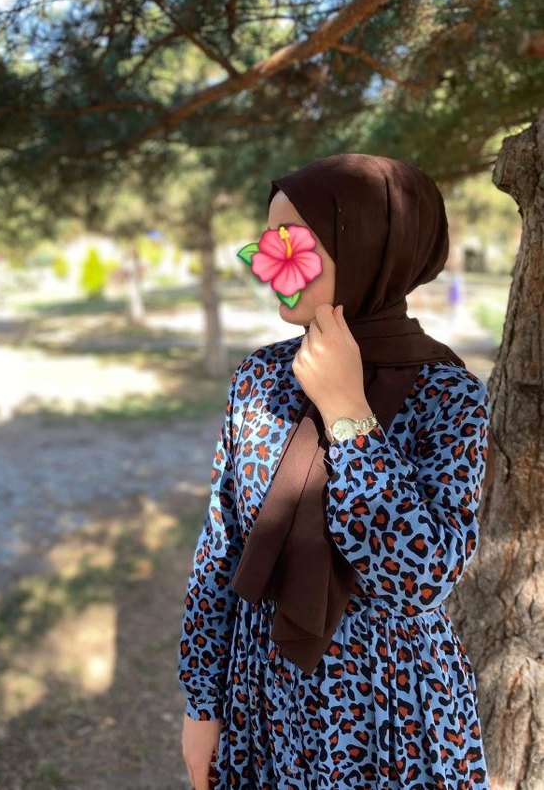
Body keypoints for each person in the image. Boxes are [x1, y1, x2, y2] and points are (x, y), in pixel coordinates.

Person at [178, 154, 490, 789]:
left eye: (295, 243)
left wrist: (347, 411)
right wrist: (202, 704)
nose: (271, 263)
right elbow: (221, 549)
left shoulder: (449, 396)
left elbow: (419, 580)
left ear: (372, 247)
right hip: (264, 701)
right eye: (268, 241)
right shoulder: (260, 379)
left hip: (392, 710)